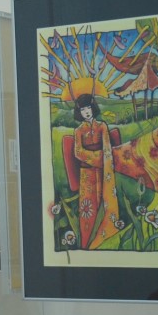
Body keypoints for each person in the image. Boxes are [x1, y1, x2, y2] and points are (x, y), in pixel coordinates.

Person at [69, 93, 122, 251]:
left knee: (103, 203)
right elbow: (78, 152)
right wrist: (100, 158)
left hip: (103, 173)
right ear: (79, 112)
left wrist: (101, 158)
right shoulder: (78, 131)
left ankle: (107, 238)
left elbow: (107, 148)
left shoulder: (102, 126)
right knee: (88, 207)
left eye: (88, 108)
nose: (86, 112)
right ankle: (88, 243)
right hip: (86, 174)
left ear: (93, 108)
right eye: (83, 110)